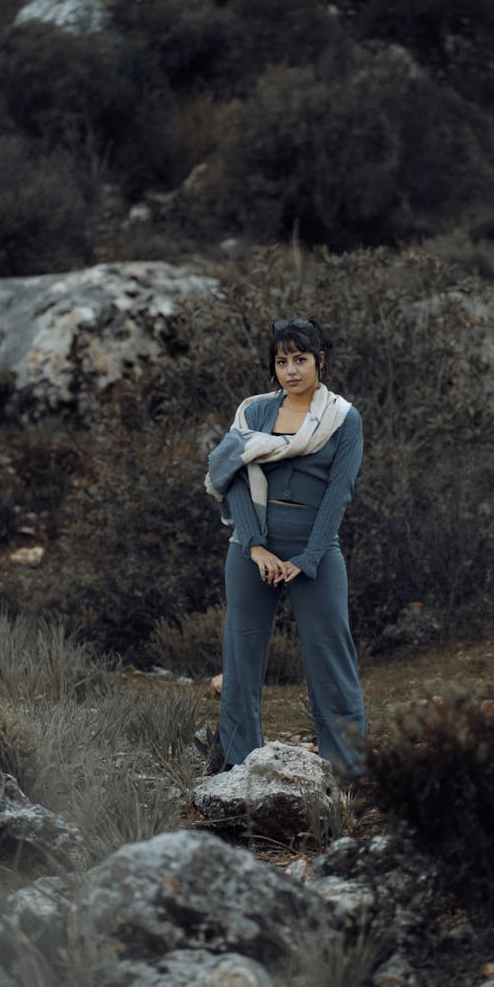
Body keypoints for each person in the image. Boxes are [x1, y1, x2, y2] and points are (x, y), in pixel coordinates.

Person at [204, 316, 365, 775]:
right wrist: (255, 547)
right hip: (251, 546)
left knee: (331, 658)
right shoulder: (253, 413)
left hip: (314, 551)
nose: (291, 369)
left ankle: (349, 770)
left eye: (301, 359)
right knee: (241, 657)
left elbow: (339, 493)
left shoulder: (342, 419)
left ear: (320, 361)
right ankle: (239, 769)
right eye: (282, 361)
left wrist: (308, 558)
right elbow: (229, 474)